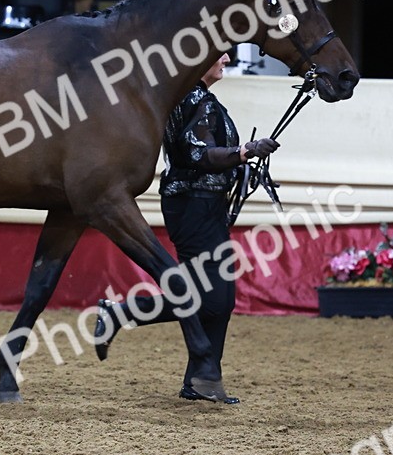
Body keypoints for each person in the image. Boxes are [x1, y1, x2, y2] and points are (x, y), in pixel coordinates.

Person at [94, 52, 279, 404]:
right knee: (211, 299)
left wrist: (238, 166)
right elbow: (196, 154)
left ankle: (201, 378)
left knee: (219, 299)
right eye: (218, 53)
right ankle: (122, 315)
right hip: (194, 205)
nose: (226, 58)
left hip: (200, 204)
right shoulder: (195, 99)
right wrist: (242, 153)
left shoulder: (195, 98)